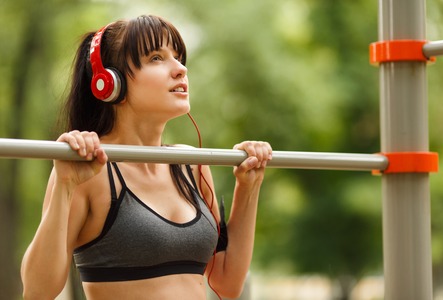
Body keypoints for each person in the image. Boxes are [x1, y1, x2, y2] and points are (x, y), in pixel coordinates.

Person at [20, 14, 272, 300]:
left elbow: (226, 282)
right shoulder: (87, 169)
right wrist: (64, 185)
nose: (179, 69)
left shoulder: (191, 164)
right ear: (111, 84)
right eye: (156, 58)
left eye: (178, 57)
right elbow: (37, 292)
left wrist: (248, 187)